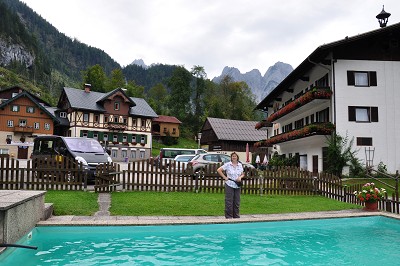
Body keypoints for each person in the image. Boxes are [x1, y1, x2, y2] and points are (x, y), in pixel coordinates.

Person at [217, 152, 245, 219]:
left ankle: (236, 216)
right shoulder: (228, 165)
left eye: (235, 156)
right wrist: (225, 177)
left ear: (237, 157)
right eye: (233, 156)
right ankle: (229, 216)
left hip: (237, 185)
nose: (234, 157)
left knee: (237, 201)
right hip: (229, 184)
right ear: (231, 158)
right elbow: (219, 170)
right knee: (229, 201)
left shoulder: (240, 165)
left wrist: (240, 177)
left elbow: (243, 173)